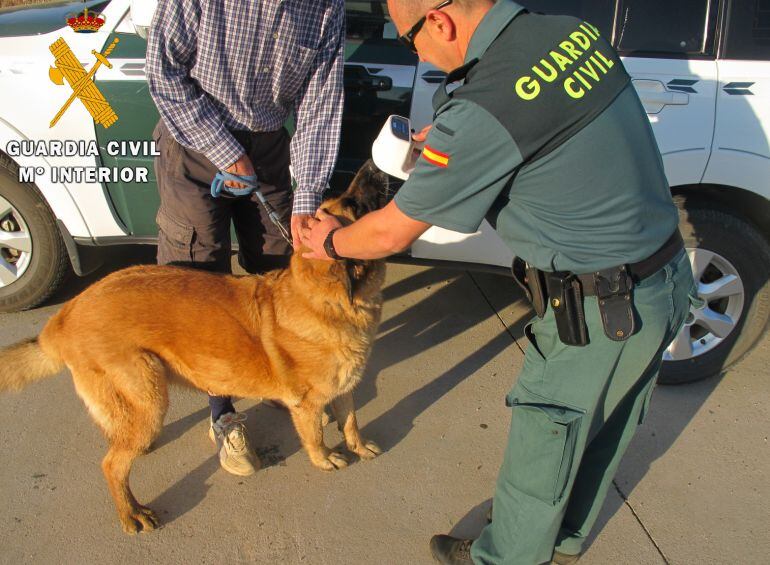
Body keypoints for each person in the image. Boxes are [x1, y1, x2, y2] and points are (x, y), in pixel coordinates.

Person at [301, 0, 698, 563]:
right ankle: (560, 538)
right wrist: (453, 143)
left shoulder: (483, 108)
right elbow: (538, 126)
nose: (420, 55)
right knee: (602, 430)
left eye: (411, 40)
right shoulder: (571, 32)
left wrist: (331, 243)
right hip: (664, 278)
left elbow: (389, 232)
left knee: (546, 441)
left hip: (598, 310)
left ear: (438, 22)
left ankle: (505, 556)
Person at [146, 0, 345, 477]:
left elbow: (319, 103)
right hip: (195, 141)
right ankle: (223, 414)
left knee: (281, 272)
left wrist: (306, 196)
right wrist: (226, 151)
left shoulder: (324, 6)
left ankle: (277, 378)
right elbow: (164, 71)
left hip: (269, 143)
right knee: (198, 287)